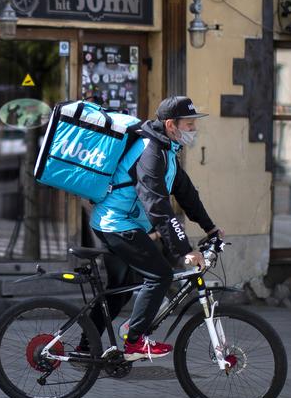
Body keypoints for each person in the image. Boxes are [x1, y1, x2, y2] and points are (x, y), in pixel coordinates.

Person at [87, 96, 222, 361]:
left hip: (123, 223)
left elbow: (186, 193)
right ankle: (135, 340)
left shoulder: (167, 150)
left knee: (120, 289)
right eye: (189, 124)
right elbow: (157, 205)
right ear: (171, 124)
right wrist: (184, 249)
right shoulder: (150, 152)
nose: (194, 129)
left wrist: (210, 228)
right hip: (117, 224)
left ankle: (85, 344)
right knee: (160, 275)